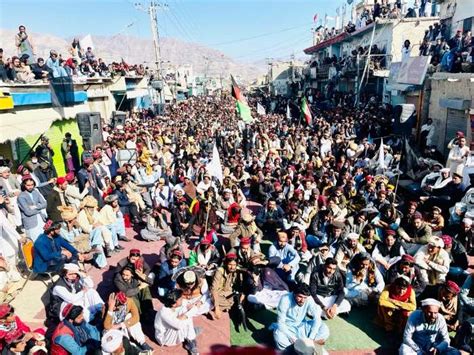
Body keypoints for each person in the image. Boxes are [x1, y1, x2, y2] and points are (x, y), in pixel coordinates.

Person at [272, 283, 329, 353]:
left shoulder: (308, 298)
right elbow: (281, 323)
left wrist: (311, 338)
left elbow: (317, 318)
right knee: (278, 337)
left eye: (305, 298)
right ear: (294, 293)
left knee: (324, 328)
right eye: (300, 297)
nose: (302, 300)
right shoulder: (285, 299)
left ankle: (308, 346)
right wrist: (294, 339)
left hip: (302, 326)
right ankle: (301, 349)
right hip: (288, 328)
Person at [154, 289, 199, 354]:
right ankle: (190, 340)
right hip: (166, 339)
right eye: (180, 299)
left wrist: (184, 315)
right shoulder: (164, 312)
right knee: (187, 317)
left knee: (185, 312)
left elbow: (193, 306)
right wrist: (186, 315)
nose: (182, 299)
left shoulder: (174, 304)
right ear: (174, 304)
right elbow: (179, 326)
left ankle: (190, 336)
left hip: (174, 329)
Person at [210, 252, 244, 320]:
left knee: (237, 300)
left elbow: (241, 286)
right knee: (213, 299)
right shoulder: (219, 271)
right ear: (226, 264)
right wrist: (217, 308)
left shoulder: (238, 271)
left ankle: (218, 307)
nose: (232, 267)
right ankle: (215, 308)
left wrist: (242, 294)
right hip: (218, 293)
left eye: (234, 265)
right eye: (230, 264)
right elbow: (214, 290)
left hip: (228, 293)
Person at [17, 176, 47, 241]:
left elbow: (44, 204)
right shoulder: (21, 196)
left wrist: (35, 207)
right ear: (24, 185)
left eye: (32, 185)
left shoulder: (35, 192)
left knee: (45, 239)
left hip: (41, 220)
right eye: (28, 185)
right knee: (36, 241)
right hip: (30, 222)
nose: (30, 187)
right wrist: (39, 210)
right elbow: (28, 212)